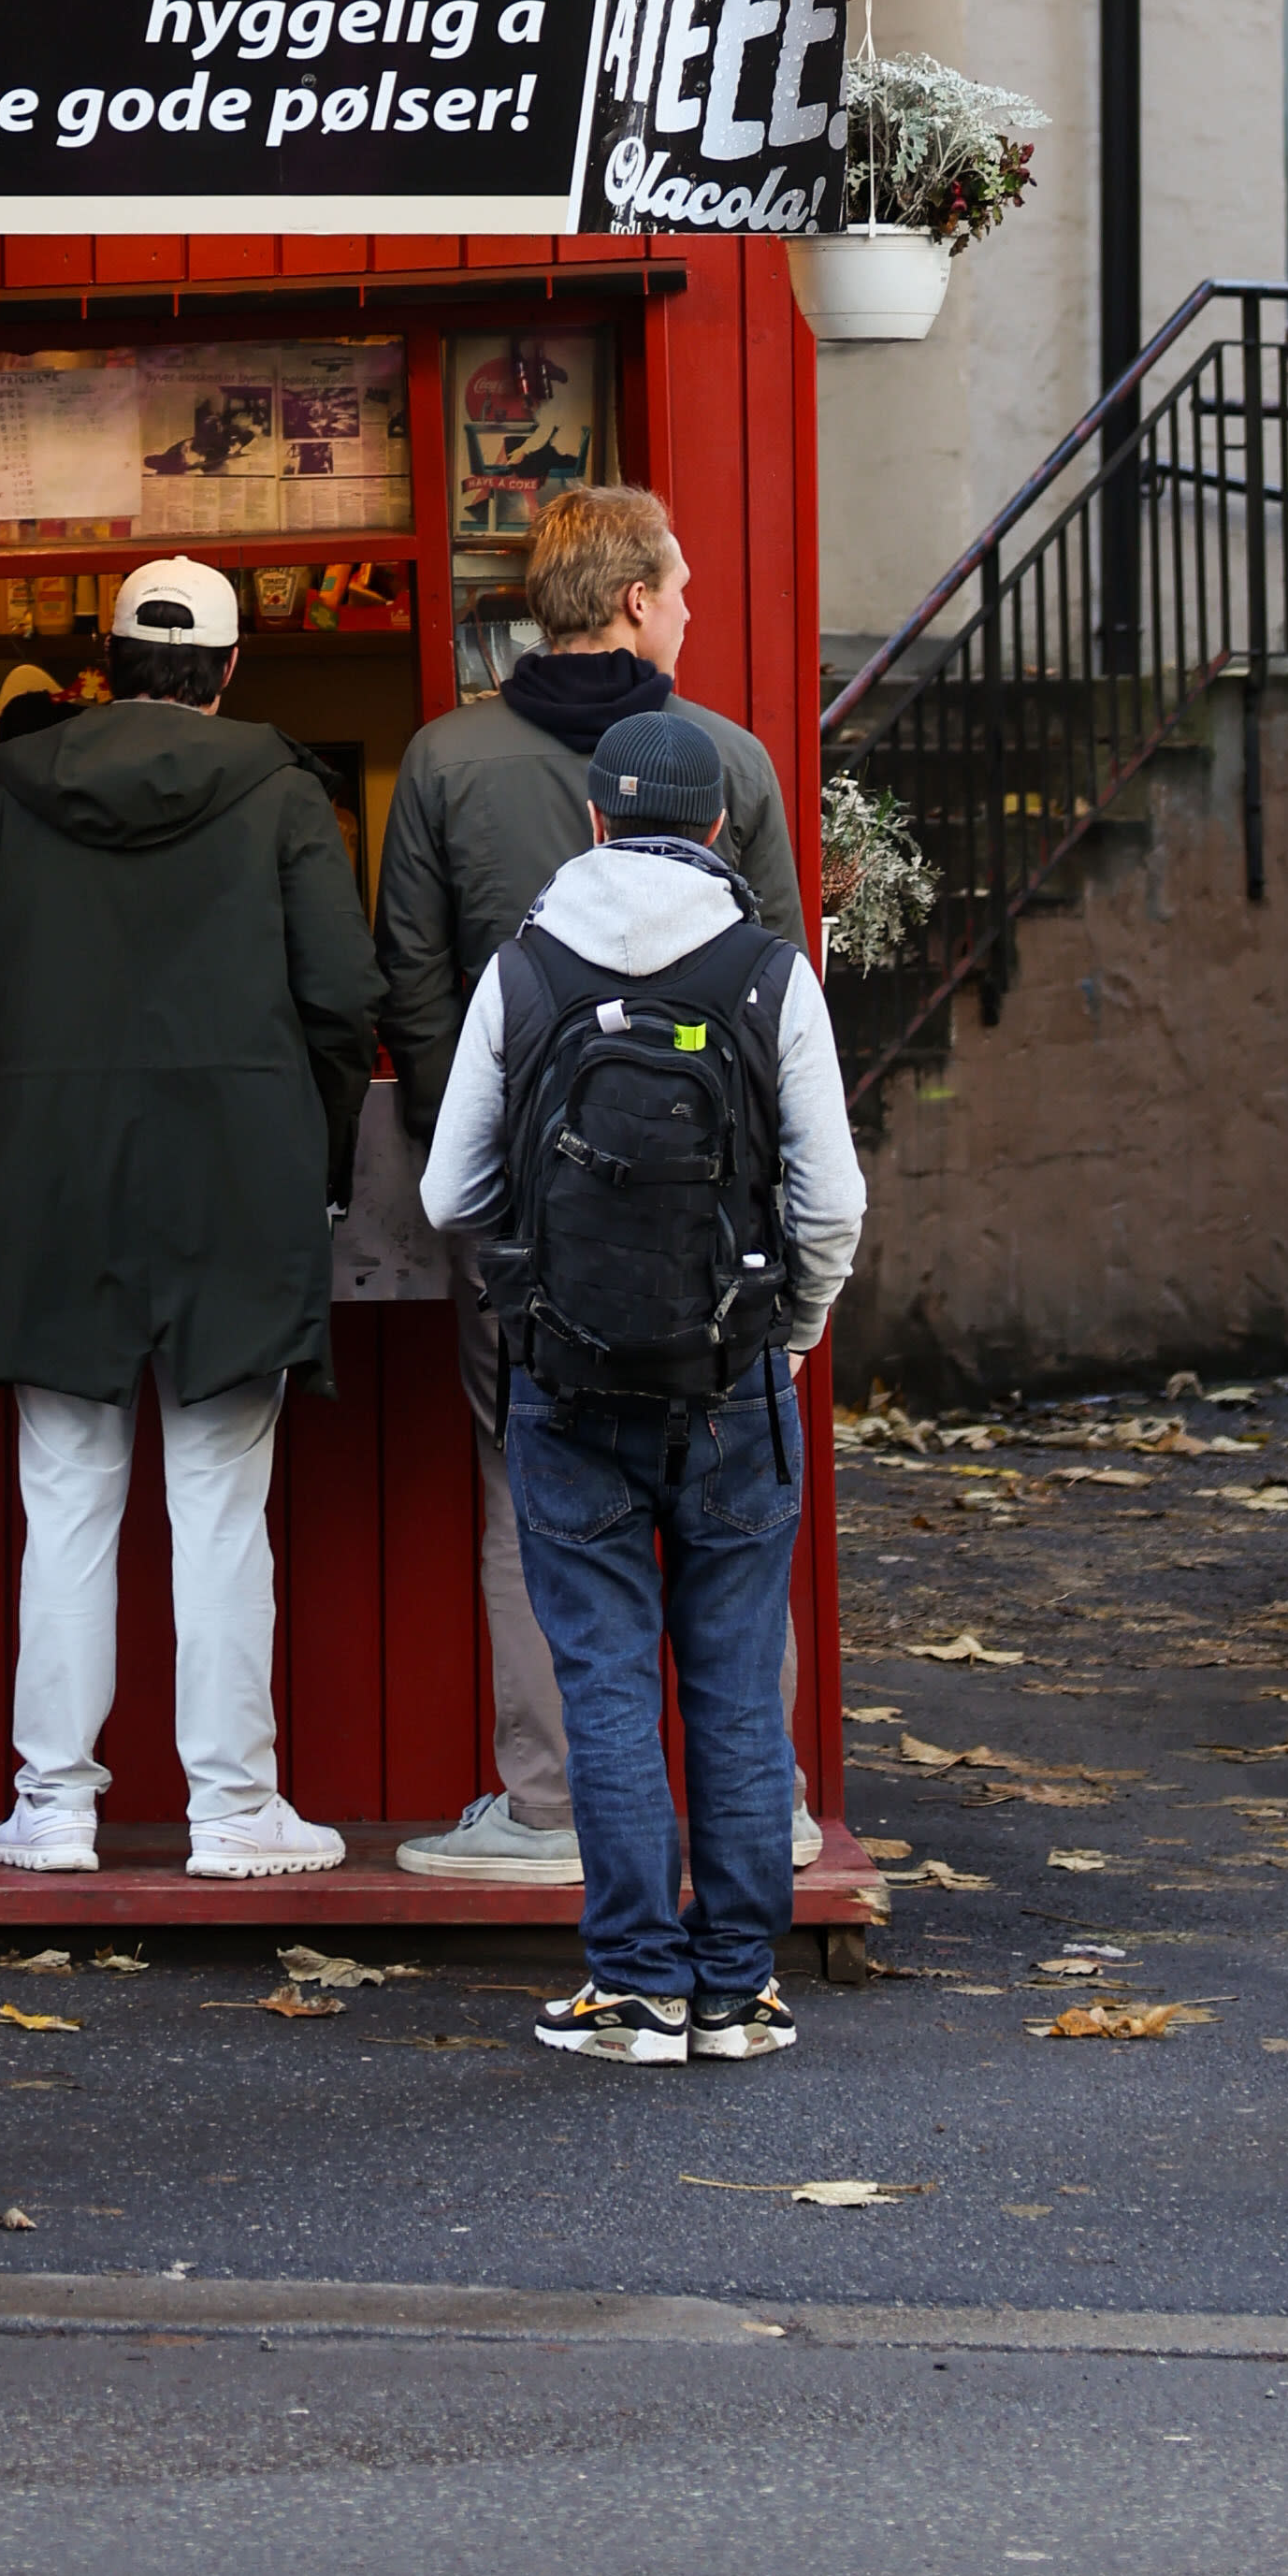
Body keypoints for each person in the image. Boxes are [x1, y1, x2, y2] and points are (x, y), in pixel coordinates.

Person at [0, 551, 383, 1883]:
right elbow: (344, 995)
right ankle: (232, 1811)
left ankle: (53, 1807)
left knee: (65, 1497)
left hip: (52, 1176)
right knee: (222, 1507)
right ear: (230, 667)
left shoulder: (14, 784)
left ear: (107, 661)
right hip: (238, 1178)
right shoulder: (283, 789)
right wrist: (319, 1148)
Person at [373, 483, 801, 1886]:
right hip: (720, 1221)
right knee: (735, 1488)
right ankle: (772, 1808)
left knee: (528, 1487)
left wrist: (477, 1162)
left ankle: (550, 1806)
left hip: (523, 1221)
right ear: (632, 601)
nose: (688, 610)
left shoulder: (444, 760)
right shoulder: (731, 759)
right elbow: (786, 991)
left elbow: (413, 985)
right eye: (678, 588)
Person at [423, 702, 861, 2061]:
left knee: (607, 1688)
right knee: (735, 1685)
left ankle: (637, 1988)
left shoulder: (524, 969)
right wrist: (789, 1335)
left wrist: (539, 1278)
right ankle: (739, 1989)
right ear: (718, 826)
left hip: (567, 1382)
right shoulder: (769, 972)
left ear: (596, 819)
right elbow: (833, 1202)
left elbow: (449, 1194)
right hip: (734, 1383)